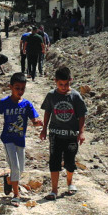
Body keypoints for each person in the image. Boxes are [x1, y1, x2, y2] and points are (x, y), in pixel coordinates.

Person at [0, 72, 42, 205]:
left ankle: (9, 180)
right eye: (17, 88)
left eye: (22, 88)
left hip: (20, 139)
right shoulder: (4, 103)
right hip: (8, 138)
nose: (20, 91)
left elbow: (33, 119)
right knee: (15, 166)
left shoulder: (26, 104)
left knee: (21, 169)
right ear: (11, 87)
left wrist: (37, 123)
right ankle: (16, 194)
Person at [39, 66, 87, 199]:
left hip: (71, 135)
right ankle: (54, 190)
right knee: (54, 160)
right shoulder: (51, 95)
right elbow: (47, 112)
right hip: (55, 134)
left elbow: (82, 115)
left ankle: (70, 182)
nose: (64, 87)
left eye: (66, 84)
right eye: (61, 84)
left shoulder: (75, 96)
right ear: (55, 81)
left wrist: (81, 132)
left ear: (70, 80)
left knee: (70, 160)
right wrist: (44, 129)